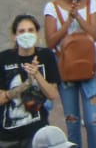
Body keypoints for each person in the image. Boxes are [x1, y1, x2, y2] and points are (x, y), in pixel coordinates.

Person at [43, 0, 96, 148]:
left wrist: (79, 18)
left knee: (92, 120)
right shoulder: (52, 8)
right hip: (65, 68)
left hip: (89, 65)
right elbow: (50, 42)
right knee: (72, 120)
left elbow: (94, 34)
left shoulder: (91, 4)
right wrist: (68, 22)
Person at [0, 14, 61, 144]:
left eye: (30, 30)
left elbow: (53, 94)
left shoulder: (46, 56)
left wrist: (37, 75)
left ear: (37, 33)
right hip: (8, 137)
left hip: (37, 133)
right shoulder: (4, 59)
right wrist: (25, 85)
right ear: (14, 36)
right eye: (21, 31)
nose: (26, 34)